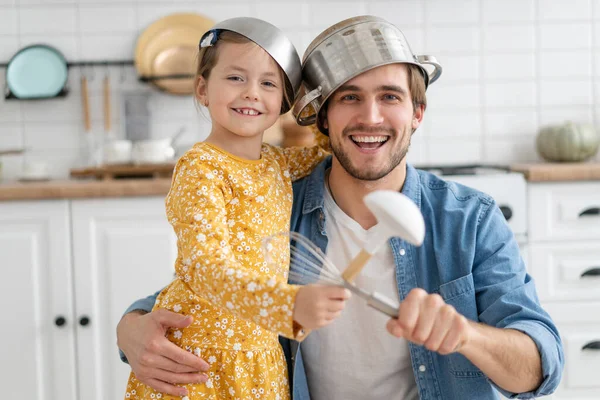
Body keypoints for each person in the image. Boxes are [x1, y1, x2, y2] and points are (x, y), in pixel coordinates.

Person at [118, 15, 564, 400]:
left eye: (390, 96)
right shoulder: (280, 199)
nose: (370, 117)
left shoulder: (469, 219)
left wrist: (466, 334)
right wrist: (131, 327)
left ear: (417, 113)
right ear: (323, 120)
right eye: (350, 97)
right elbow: (205, 279)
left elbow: (540, 366)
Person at [123, 17, 352, 400]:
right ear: (202, 88)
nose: (251, 93)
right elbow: (204, 266)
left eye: (268, 83)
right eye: (235, 78)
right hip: (199, 357)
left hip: (260, 355)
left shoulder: (278, 163)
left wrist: (313, 105)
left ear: (283, 102)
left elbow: (329, 148)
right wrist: (286, 305)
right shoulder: (200, 168)